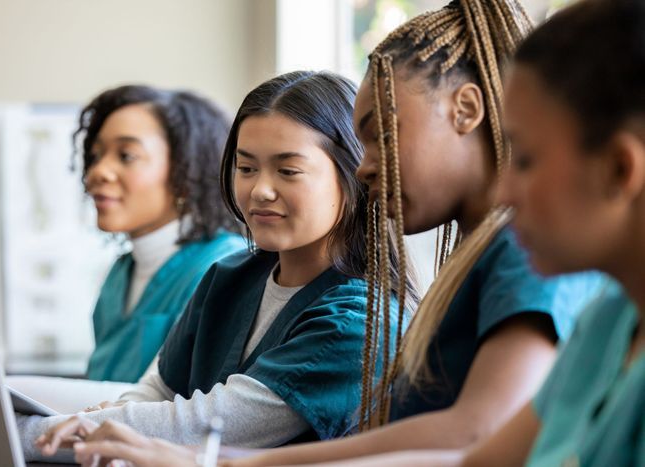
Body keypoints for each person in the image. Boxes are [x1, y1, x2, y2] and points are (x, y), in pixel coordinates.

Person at [56, 1, 606, 466]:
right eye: (246, 167)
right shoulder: (479, 258)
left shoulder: (516, 249)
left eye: (380, 137)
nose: (367, 169)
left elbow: (475, 434)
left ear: (466, 110)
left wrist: (211, 462)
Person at [23, 71, 417, 463]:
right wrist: (101, 427)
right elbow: (157, 389)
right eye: (246, 168)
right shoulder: (229, 277)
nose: (260, 190)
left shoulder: (359, 322)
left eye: (288, 170)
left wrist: (35, 432)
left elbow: (208, 424)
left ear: (354, 174)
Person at [79, 85, 245, 383]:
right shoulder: (121, 272)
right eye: (96, 155)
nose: (97, 172)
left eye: (127, 155)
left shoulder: (225, 266)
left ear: (186, 170)